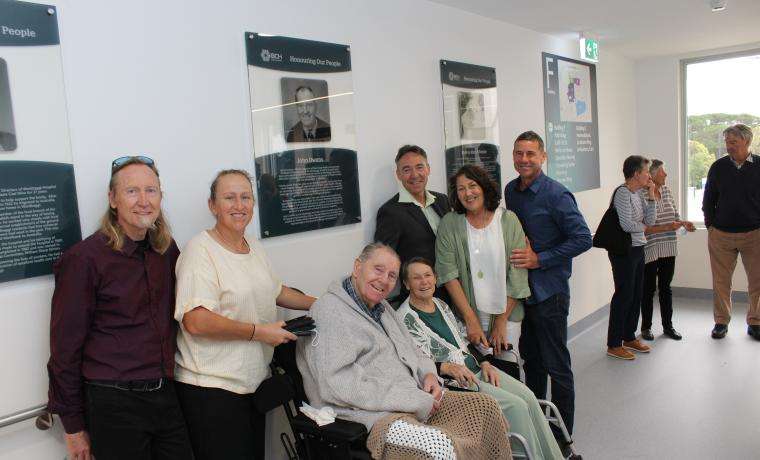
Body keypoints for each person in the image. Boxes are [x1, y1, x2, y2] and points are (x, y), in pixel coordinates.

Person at [297, 243, 511, 459]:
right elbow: (338, 385)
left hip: (414, 397)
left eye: (392, 275)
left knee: (486, 407)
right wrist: (413, 399)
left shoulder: (381, 307)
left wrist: (429, 374)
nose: (384, 280)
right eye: (378, 270)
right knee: (439, 446)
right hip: (369, 415)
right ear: (357, 267)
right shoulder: (329, 312)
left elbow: (415, 350)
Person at [47, 156, 193, 460]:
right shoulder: (84, 260)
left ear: (161, 197)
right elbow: (65, 349)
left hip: (165, 394)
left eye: (151, 191)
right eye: (132, 191)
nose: (143, 201)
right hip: (113, 402)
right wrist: (73, 427)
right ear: (113, 199)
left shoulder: (165, 250)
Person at [173, 169, 316, 460]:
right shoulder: (199, 252)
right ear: (213, 205)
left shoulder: (254, 246)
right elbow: (195, 320)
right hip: (212, 390)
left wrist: (325, 303)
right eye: (229, 198)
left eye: (245, 197)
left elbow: (275, 290)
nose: (239, 205)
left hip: (252, 385)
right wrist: (259, 332)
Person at [398, 257, 564, 460]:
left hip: (478, 369)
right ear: (406, 284)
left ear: (435, 278)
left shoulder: (441, 305)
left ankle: (552, 456)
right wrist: (445, 367)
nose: (424, 282)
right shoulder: (404, 319)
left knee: (529, 397)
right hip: (457, 383)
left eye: (427, 276)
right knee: (518, 406)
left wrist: (485, 362)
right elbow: (414, 362)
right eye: (416, 278)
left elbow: (463, 342)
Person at [504, 131, 591, 443]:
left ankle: (562, 437)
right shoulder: (511, 190)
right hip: (523, 293)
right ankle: (538, 426)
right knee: (532, 361)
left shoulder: (557, 194)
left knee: (557, 365)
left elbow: (583, 238)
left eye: (530, 154)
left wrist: (541, 259)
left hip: (550, 292)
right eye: (518, 153)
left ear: (542, 157)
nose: (524, 160)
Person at [435, 165, 531, 357]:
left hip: (507, 316)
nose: (467, 193)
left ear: (484, 187)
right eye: (461, 189)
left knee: (508, 368)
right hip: (466, 317)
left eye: (472, 186)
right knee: (477, 377)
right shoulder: (449, 223)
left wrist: (501, 322)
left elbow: (518, 274)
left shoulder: (508, 220)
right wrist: (471, 320)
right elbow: (448, 273)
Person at [702, 123, 760, 340]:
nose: (729, 146)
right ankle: (721, 322)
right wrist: (710, 226)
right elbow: (709, 199)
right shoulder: (718, 167)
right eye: (727, 142)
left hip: (755, 234)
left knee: (757, 281)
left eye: (733, 142)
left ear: (746, 142)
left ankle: (756, 322)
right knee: (720, 282)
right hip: (721, 235)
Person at [375, 144, 451, 304]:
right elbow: (383, 260)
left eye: (419, 167)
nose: (415, 175)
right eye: (407, 169)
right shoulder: (390, 211)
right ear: (398, 174)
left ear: (428, 169)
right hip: (420, 298)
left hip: (453, 289)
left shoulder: (443, 200)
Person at [606, 155, 657, 360]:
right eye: (646, 172)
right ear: (636, 174)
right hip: (623, 251)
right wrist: (643, 228)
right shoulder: (623, 193)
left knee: (637, 294)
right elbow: (627, 225)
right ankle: (613, 343)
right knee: (624, 295)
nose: (649, 176)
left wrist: (652, 195)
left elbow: (650, 220)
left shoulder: (638, 194)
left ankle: (628, 336)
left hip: (638, 248)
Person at [639, 159, 696, 341]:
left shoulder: (667, 191)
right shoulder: (642, 194)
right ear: (653, 175)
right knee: (648, 289)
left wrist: (683, 224)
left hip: (669, 247)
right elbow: (642, 226)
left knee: (665, 288)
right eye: (662, 172)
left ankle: (668, 326)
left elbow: (675, 217)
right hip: (650, 247)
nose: (665, 175)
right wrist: (668, 226)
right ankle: (646, 327)